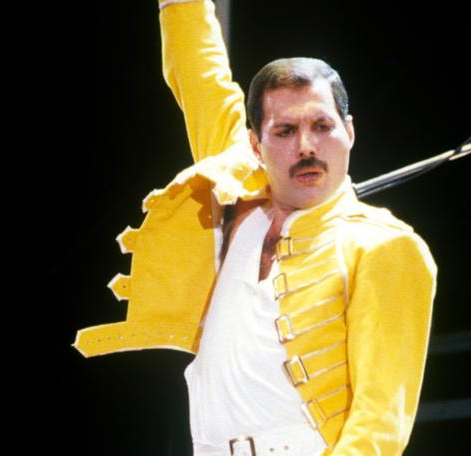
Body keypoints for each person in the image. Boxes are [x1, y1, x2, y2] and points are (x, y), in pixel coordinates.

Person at [73, 1, 437, 454]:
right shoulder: (239, 195)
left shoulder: (384, 245)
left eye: (322, 126)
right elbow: (200, 78)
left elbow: (379, 424)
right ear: (255, 144)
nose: (307, 146)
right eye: (285, 131)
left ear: (349, 131)